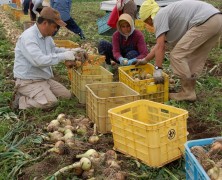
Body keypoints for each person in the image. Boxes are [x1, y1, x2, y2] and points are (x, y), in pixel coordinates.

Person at [136, 0, 222, 101]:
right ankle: (190, 92)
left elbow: (160, 47)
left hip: (204, 21)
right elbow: (160, 45)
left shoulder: (159, 16)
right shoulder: (169, 16)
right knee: (194, 57)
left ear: (149, 17)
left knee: (177, 55)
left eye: (146, 21)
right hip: (216, 19)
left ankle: (187, 92)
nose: (148, 24)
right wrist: (145, 60)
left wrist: (158, 69)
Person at [12, 7, 77, 110]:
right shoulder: (29, 37)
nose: (56, 29)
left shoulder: (47, 36)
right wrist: (64, 56)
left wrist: (71, 51)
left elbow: (53, 50)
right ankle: (21, 101)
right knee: (50, 102)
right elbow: (39, 61)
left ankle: (42, 94)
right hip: (28, 81)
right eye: (55, 26)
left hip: (43, 78)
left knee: (66, 96)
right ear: (45, 23)